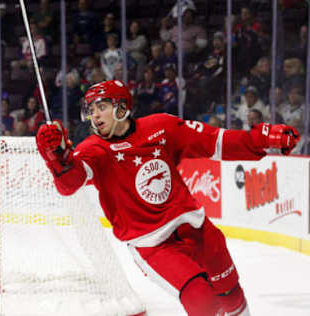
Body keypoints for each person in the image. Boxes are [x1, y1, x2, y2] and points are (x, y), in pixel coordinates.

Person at [35, 80, 300, 316]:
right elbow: (70, 184)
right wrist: (57, 159)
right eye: (91, 110)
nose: (95, 115)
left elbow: (217, 141)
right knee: (202, 301)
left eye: (100, 106)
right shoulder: (93, 150)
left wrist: (262, 139)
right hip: (153, 245)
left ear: (121, 107)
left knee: (231, 295)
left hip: (197, 229)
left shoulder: (161, 127)